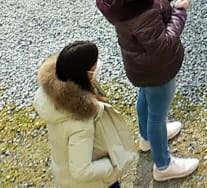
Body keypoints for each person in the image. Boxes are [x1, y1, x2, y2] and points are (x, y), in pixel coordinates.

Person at [94, 0, 197, 180]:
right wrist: (180, 11)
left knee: (145, 98)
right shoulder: (142, 14)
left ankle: (147, 138)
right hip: (157, 68)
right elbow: (164, 43)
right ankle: (163, 165)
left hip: (139, 67)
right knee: (158, 116)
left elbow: (149, 0)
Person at [33, 40, 139, 188]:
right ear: (85, 73)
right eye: (94, 63)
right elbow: (81, 171)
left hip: (66, 173)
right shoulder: (81, 123)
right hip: (93, 183)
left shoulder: (52, 97)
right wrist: (114, 164)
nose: (97, 64)